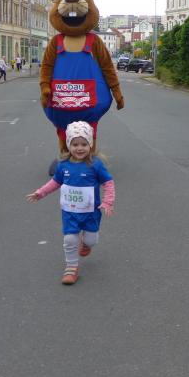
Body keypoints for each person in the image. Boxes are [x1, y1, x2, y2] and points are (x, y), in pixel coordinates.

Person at [26, 121, 115, 285]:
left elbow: (108, 183)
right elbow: (55, 182)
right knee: (69, 240)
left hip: (91, 212)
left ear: (90, 145)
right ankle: (72, 267)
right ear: (68, 145)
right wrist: (41, 192)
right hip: (70, 212)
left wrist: (108, 202)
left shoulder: (95, 165)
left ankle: (86, 244)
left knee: (91, 240)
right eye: (75, 144)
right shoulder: (63, 165)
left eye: (84, 144)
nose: (79, 148)